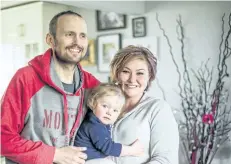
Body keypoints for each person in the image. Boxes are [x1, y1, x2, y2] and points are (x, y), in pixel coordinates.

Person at [1, 10, 99, 164]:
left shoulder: (91, 85)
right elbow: (3, 138)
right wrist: (54, 154)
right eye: (69, 34)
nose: (77, 42)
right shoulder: (26, 79)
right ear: (50, 40)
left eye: (82, 35)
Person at [86, 46, 179, 164]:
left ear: (150, 76)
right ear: (117, 74)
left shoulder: (158, 109)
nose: (132, 79)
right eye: (125, 71)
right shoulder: (100, 103)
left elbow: (166, 160)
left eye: (140, 73)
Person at [74, 83, 144, 160]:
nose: (109, 112)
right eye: (105, 106)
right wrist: (131, 150)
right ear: (93, 103)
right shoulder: (94, 125)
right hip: (86, 160)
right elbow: (108, 147)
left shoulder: (98, 121)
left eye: (115, 110)